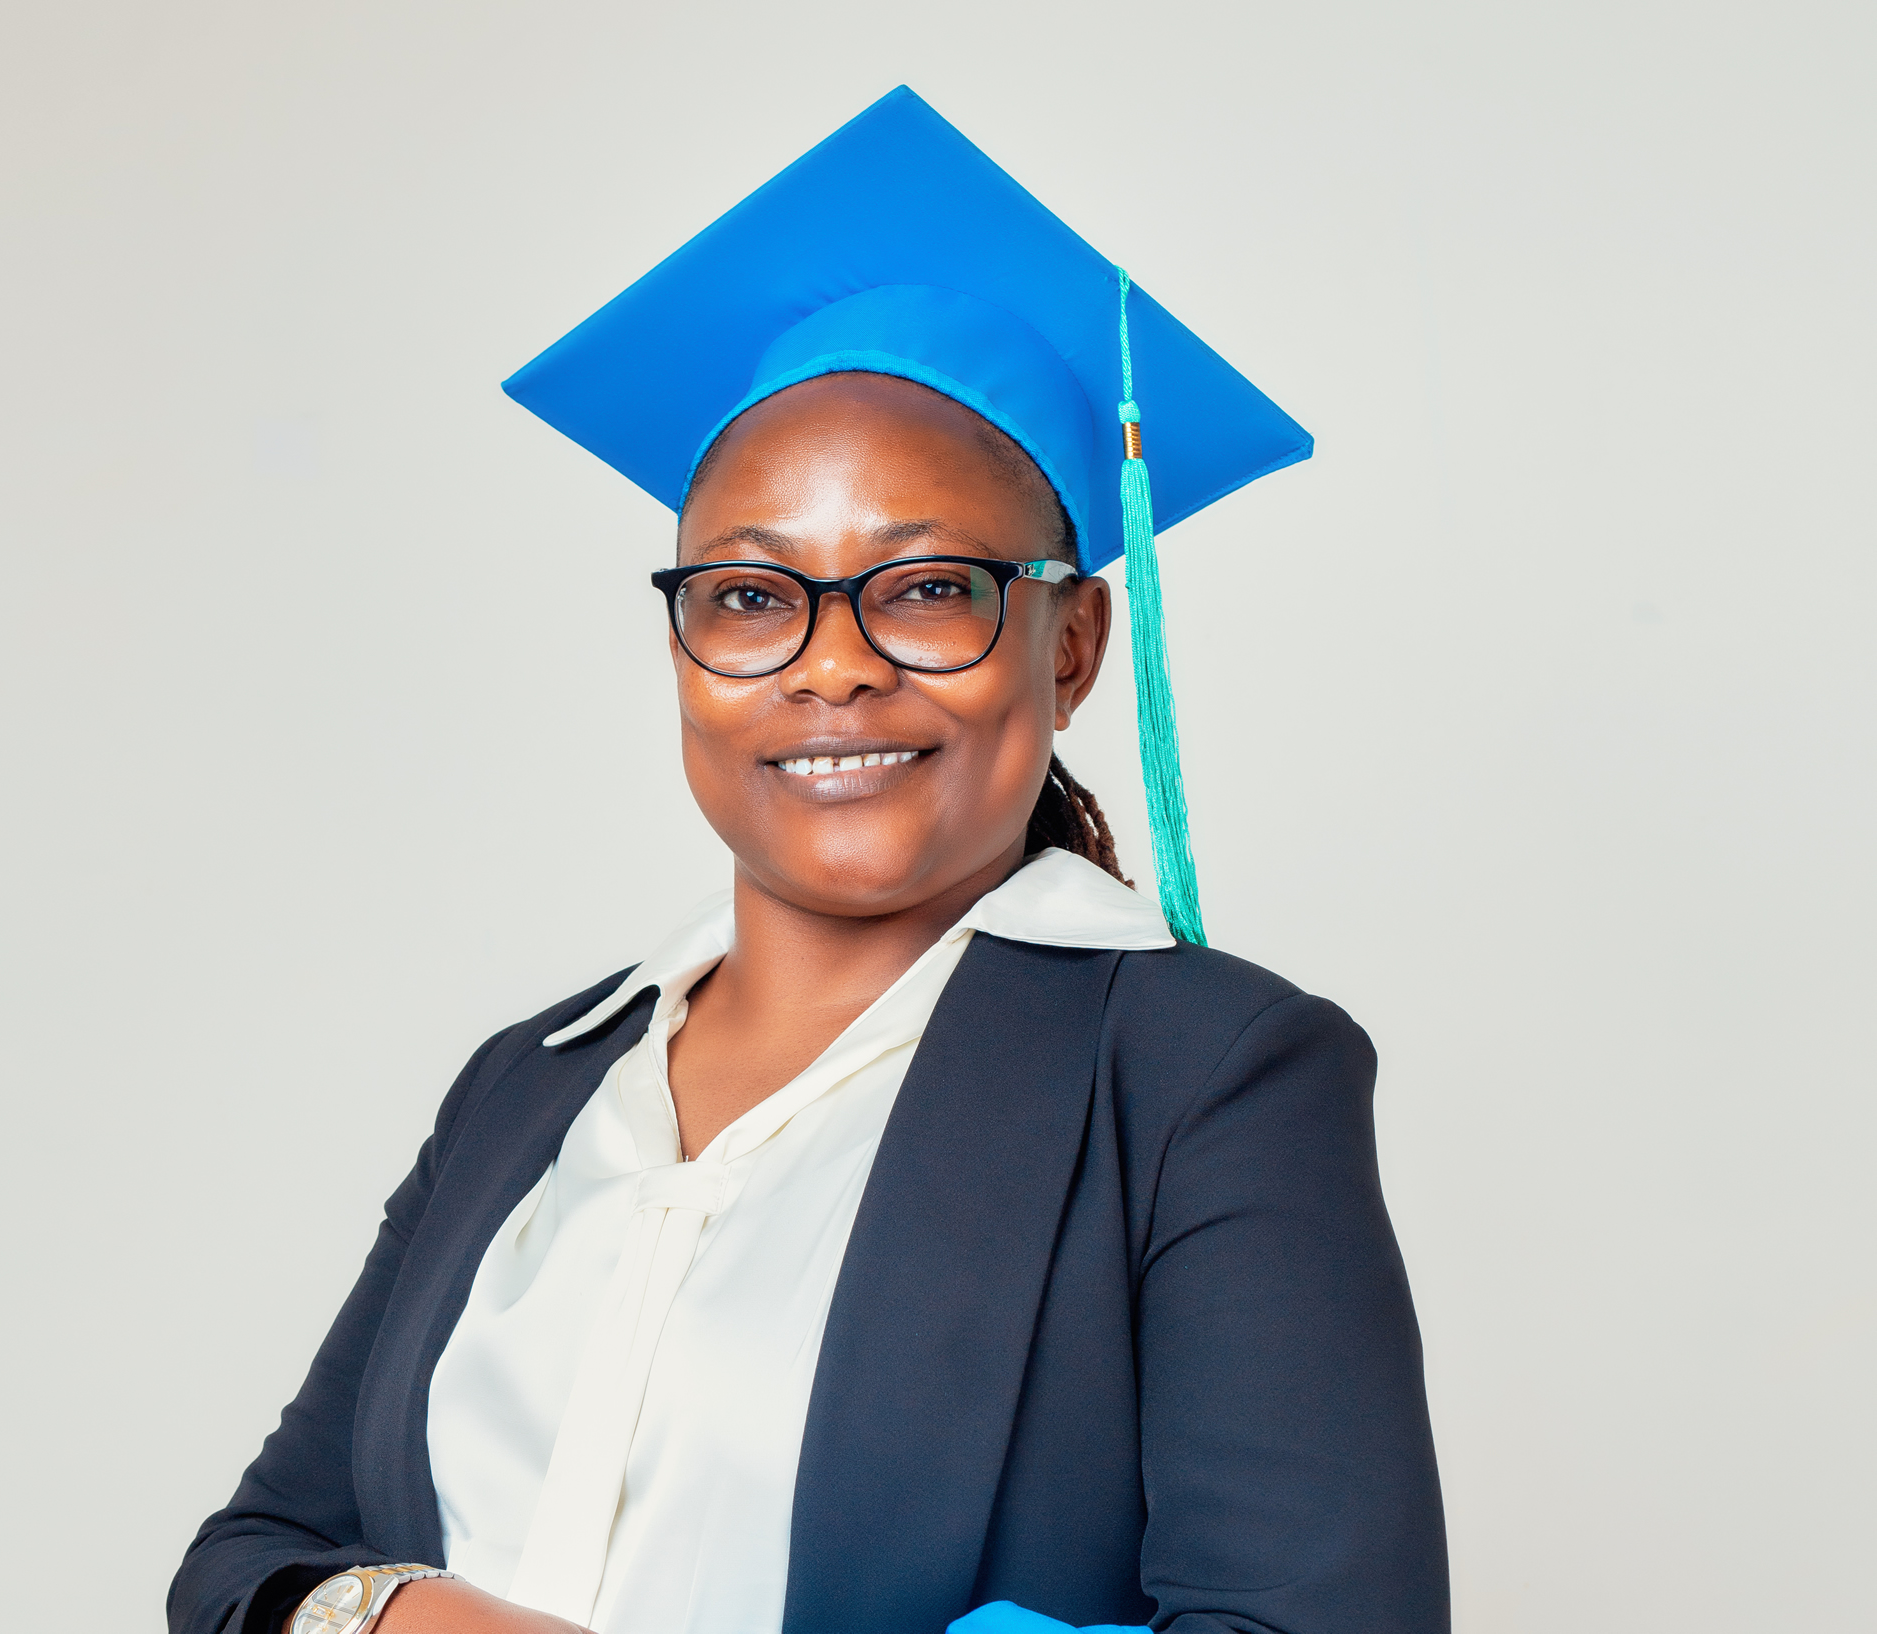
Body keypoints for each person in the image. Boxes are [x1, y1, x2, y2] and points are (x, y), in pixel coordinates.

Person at [170, 87, 1449, 1634]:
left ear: (1075, 645)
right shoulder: (531, 1081)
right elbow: (250, 1562)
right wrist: (390, 1612)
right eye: (750, 596)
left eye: (923, 587)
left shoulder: (1203, 1079)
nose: (830, 668)